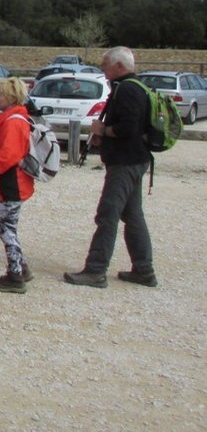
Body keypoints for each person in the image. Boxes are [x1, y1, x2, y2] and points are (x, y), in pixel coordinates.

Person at [65, 46, 157, 289]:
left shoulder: (127, 90)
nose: (102, 68)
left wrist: (102, 131)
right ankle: (143, 269)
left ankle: (95, 271)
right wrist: (105, 135)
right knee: (132, 215)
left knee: (108, 214)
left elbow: (128, 128)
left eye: (105, 64)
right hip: (136, 158)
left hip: (125, 161)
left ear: (119, 66)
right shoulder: (136, 87)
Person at [0, 77, 36, 293]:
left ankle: (15, 274)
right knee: (4, 225)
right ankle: (21, 267)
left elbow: (6, 158)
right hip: (11, 182)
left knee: (5, 227)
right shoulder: (15, 119)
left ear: (11, 98)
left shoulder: (13, 123)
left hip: (10, 183)